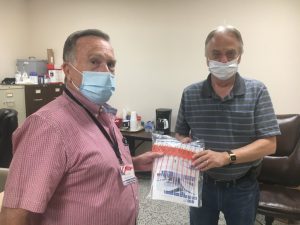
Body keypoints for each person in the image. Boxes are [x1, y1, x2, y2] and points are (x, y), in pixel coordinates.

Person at [0, 29, 162, 225]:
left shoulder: (102, 114)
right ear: (68, 71)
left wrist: (135, 163)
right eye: (95, 62)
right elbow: (14, 216)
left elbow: (89, 166)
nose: (106, 71)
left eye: (111, 64)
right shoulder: (47, 127)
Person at [175, 25, 280, 225]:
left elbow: (269, 143)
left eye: (230, 53)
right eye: (216, 54)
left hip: (242, 186)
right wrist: (184, 142)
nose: (223, 60)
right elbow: (180, 133)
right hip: (202, 184)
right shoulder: (190, 94)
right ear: (206, 58)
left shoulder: (257, 91)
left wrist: (226, 157)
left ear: (239, 56)